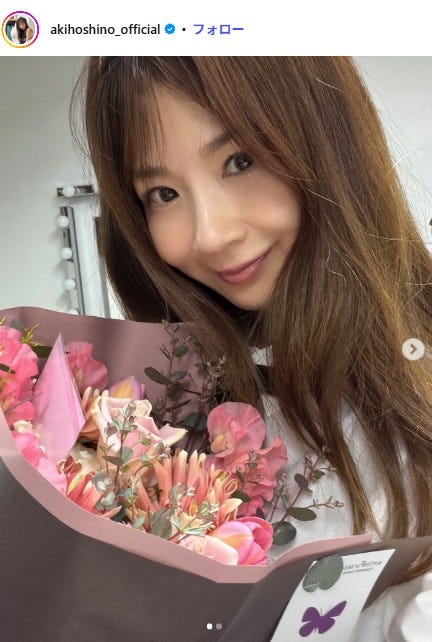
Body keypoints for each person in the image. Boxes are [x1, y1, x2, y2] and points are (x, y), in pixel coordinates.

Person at [77, 57, 432, 640]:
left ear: (327, 141)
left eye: (240, 160)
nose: (211, 234)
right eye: (163, 193)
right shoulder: (164, 409)